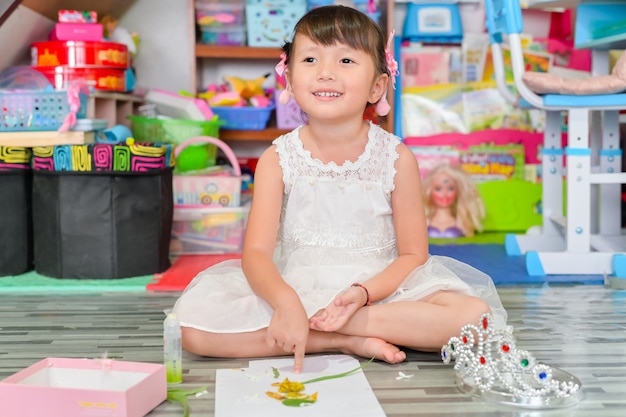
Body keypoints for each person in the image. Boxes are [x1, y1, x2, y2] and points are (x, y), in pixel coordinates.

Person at [172, 5, 507, 373]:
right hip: (296, 289)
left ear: (377, 85)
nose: (326, 73)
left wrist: (363, 295)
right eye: (311, 59)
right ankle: (341, 340)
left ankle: (328, 329)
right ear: (289, 77)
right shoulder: (278, 158)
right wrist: (286, 303)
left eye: (346, 61)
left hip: (380, 294)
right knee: (192, 332)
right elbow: (255, 253)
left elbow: (414, 256)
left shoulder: (396, 157)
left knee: (476, 316)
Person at [422, 163, 485, 238]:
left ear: (458, 191)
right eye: (438, 189)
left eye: (450, 188)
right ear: (429, 191)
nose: (444, 194)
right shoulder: (424, 222)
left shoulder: (464, 224)